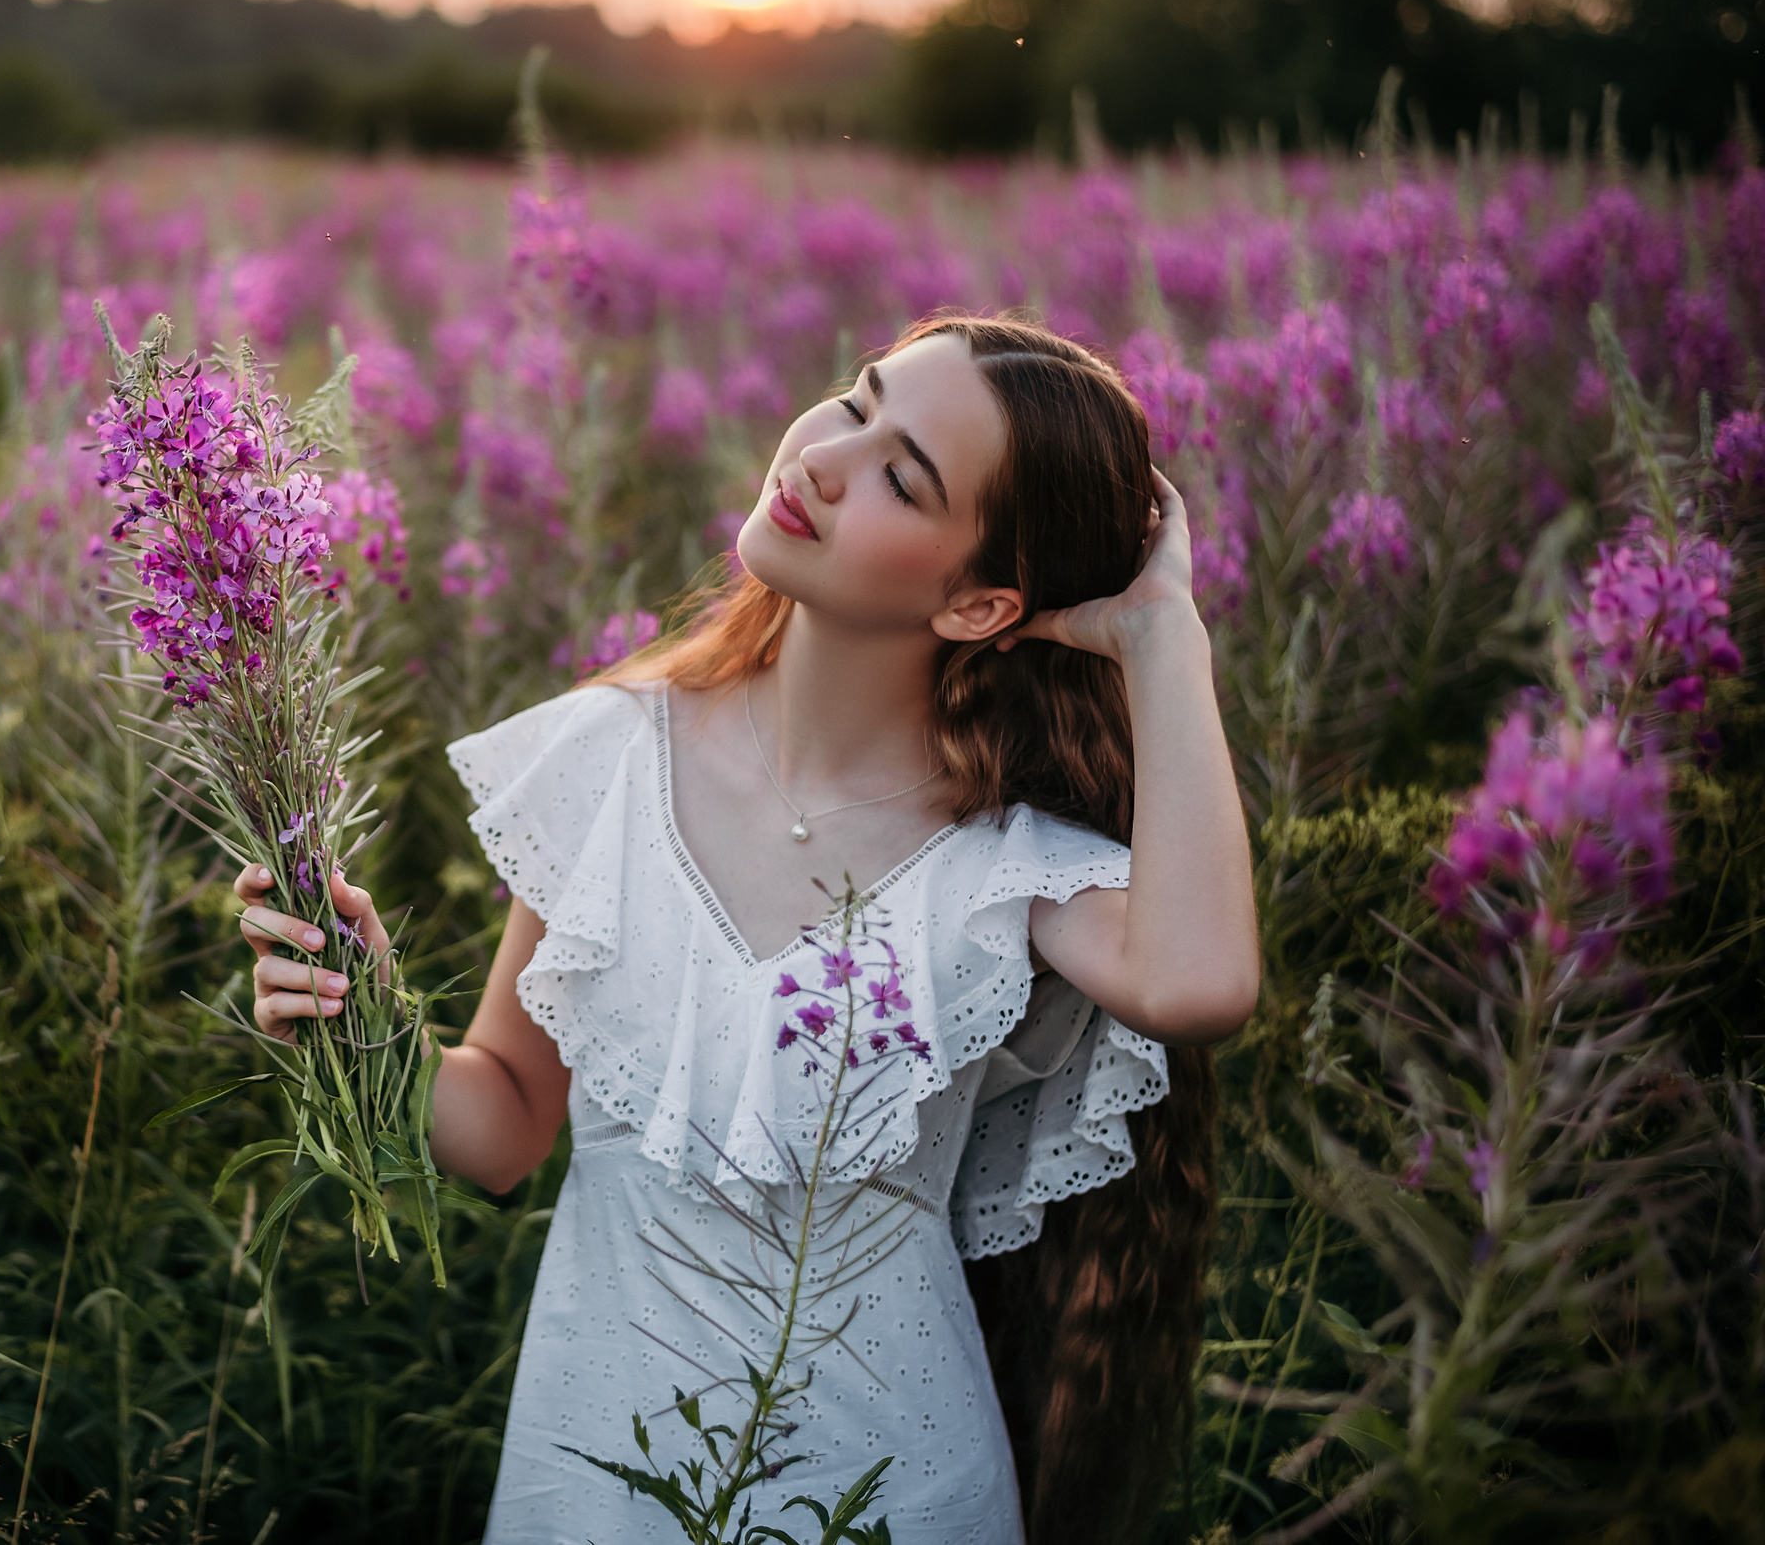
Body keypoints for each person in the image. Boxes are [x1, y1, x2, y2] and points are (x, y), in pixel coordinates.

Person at [236, 314, 1259, 1544]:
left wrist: (1161, 633)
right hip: (597, 1470)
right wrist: (366, 1016)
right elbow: (502, 1120)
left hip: (893, 1491)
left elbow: (1200, 980)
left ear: (982, 605)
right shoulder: (612, 751)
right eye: (856, 398)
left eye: (902, 474)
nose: (824, 455)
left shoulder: (995, 864)